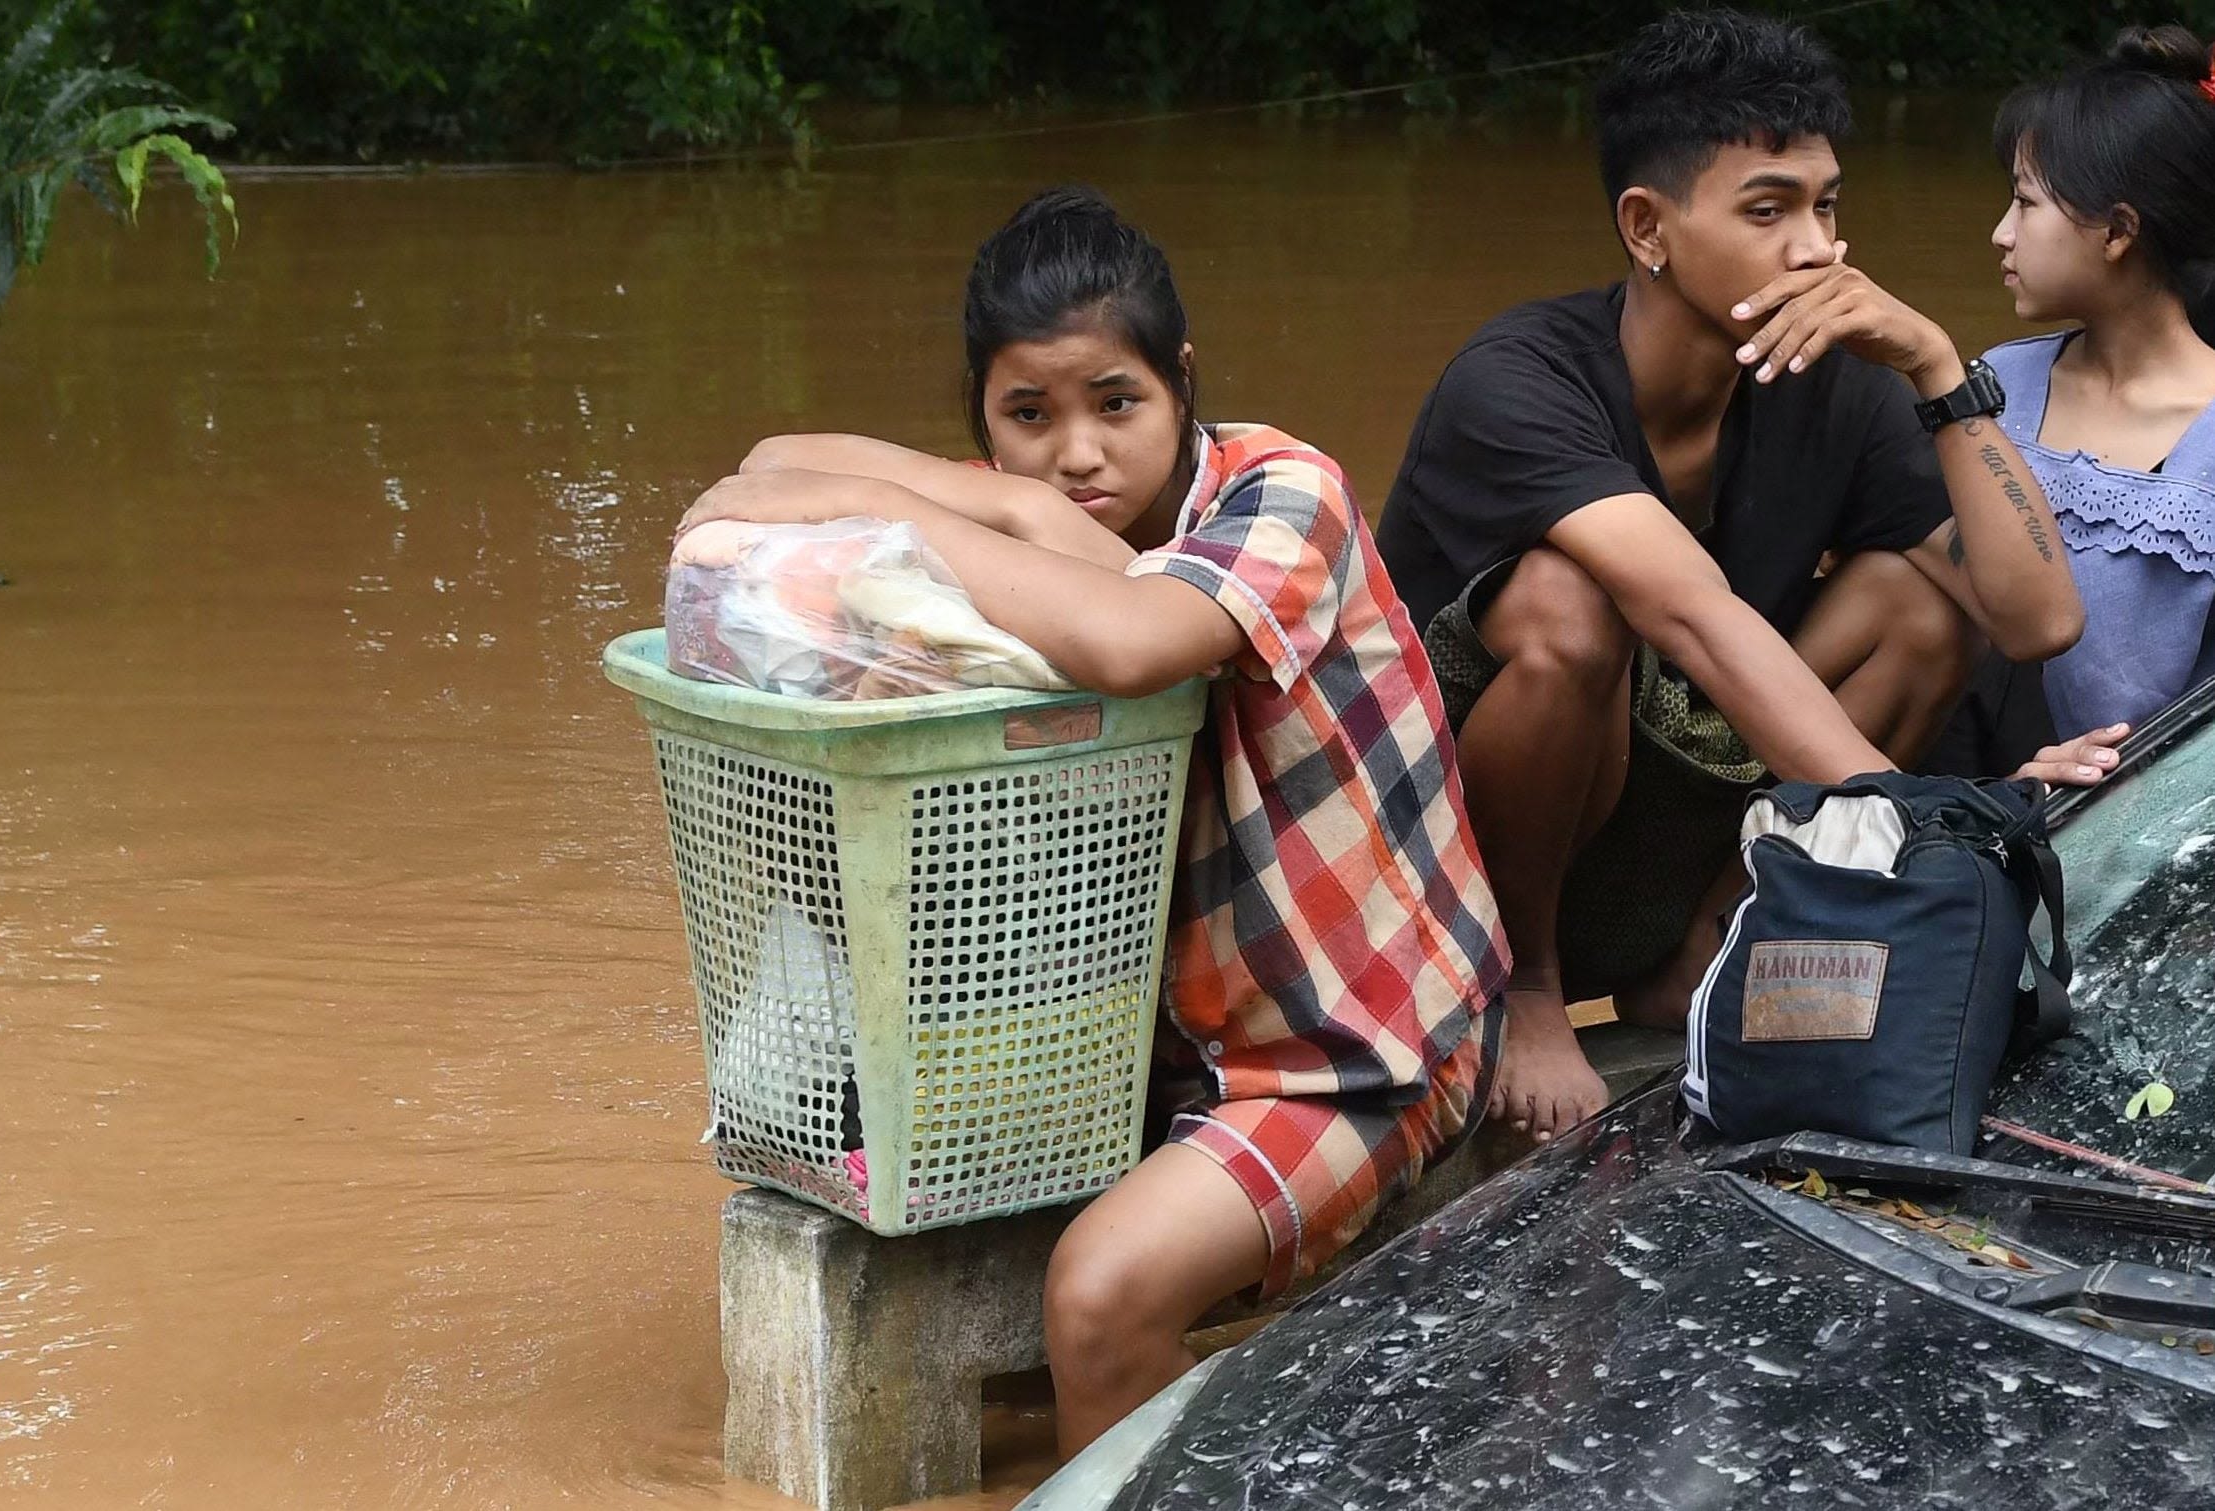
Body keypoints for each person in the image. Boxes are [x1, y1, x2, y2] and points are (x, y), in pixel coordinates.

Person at [678, 187, 1511, 1456]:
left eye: (1115, 404)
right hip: (1165, 1051)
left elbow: (1130, 635)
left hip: (1366, 1048)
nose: (1078, 455)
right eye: (1029, 417)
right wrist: (993, 508)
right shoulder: (1014, 506)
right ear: (984, 421)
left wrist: (970, 517)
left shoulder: (1287, 498)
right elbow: (759, 473)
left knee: (1099, 1295)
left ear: (1182, 383)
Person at [1372, 8, 2110, 1149]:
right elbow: (1692, 611)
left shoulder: (1834, 381)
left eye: (1827, 207)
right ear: (1647, 228)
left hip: (1665, 836)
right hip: (1458, 870)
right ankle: (1522, 989)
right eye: (1768, 211)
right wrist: (1922, 839)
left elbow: (2037, 617)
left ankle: (1712, 947)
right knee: (1568, 604)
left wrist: (1929, 365)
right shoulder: (1516, 380)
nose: (1817, 248)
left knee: (1919, 609)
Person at [1941, 25, 2215, 768]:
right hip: (1989, 798)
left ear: (2119, 230)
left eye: (2026, 204)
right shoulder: (1995, 384)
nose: (2001, 234)